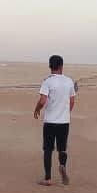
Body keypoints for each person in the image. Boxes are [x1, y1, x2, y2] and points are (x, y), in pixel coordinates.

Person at [34, 55, 76, 186]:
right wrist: (65, 113)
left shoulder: (48, 81)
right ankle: (62, 165)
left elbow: (42, 100)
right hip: (64, 121)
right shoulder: (69, 81)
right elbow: (72, 100)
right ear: (61, 66)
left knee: (48, 149)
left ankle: (48, 178)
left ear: (50, 66)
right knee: (62, 149)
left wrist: (37, 109)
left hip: (50, 121)